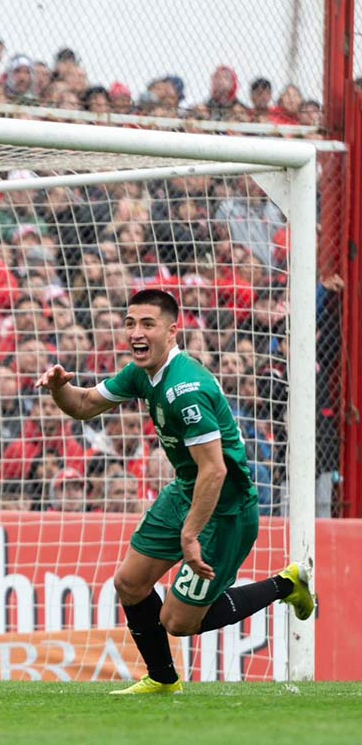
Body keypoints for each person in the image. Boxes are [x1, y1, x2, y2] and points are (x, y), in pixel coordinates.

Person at [35, 289, 316, 695]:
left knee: (178, 622)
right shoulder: (140, 373)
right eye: (131, 323)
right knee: (130, 584)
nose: (136, 332)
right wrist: (59, 387)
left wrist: (189, 535)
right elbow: (83, 405)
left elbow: (215, 470)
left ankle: (287, 585)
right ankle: (163, 680)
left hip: (225, 510)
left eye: (147, 324)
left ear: (172, 331)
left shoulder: (186, 390)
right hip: (187, 491)